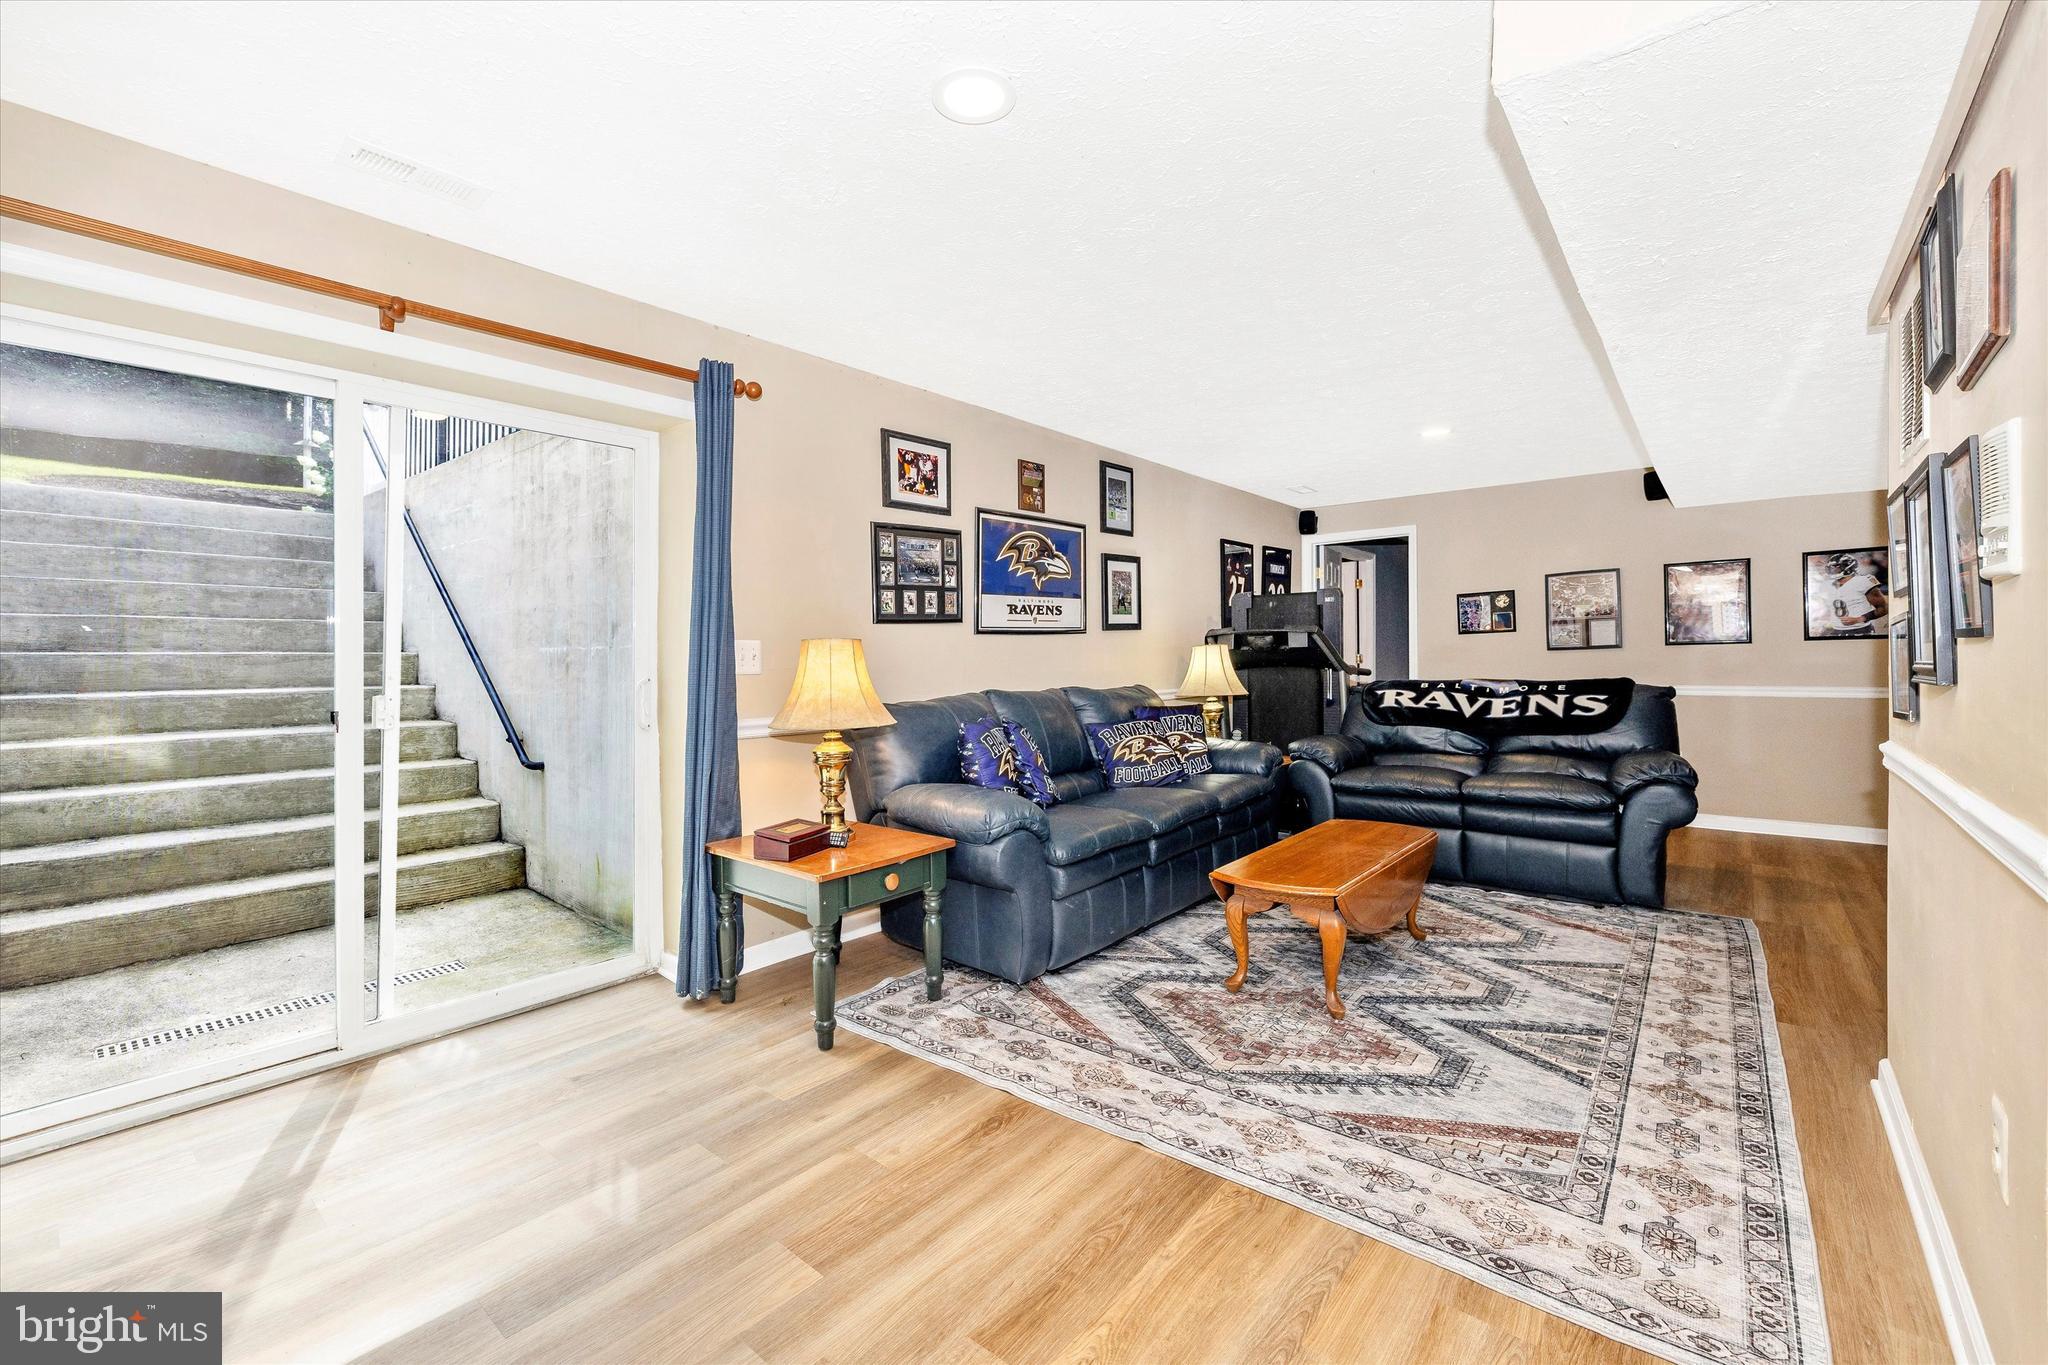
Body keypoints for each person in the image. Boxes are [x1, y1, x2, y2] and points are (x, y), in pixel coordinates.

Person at [1822, 552, 1886, 635]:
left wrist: (1859, 619)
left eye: (1836, 567)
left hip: (1860, 631)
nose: (1833, 570)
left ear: (1848, 567)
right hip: (1836, 631)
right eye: (1831, 568)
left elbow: (1884, 608)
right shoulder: (1829, 584)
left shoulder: (1863, 581)